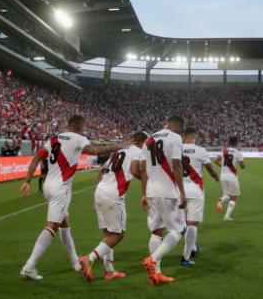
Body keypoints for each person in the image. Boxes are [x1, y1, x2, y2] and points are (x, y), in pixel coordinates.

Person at [19, 114, 128, 281]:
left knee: (65, 225)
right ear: (79, 126)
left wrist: (27, 180)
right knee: (51, 227)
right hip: (60, 188)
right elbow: (95, 150)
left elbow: (36, 158)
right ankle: (30, 266)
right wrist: (118, 146)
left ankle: (75, 262)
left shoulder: (53, 138)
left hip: (48, 185)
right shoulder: (78, 138)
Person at [79, 130, 148, 282]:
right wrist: (145, 183)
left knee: (108, 234)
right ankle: (89, 258)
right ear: (143, 142)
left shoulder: (117, 151)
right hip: (114, 194)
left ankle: (109, 271)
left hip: (101, 189)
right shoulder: (139, 152)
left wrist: (98, 194)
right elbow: (135, 170)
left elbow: (102, 172)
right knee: (118, 235)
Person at [141, 116, 187, 286]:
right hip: (167, 191)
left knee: (156, 231)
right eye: (181, 128)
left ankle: (156, 273)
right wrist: (182, 192)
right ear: (176, 125)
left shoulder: (148, 140)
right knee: (178, 230)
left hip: (152, 190)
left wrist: (144, 193)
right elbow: (176, 165)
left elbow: (143, 169)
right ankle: (152, 259)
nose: (181, 131)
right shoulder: (175, 138)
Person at [179, 127, 219, 266]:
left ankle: (194, 248)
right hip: (195, 190)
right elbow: (209, 168)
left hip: (178, 190)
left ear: (184, 136)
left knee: (182, 224)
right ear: (194, 136)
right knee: (192, 224)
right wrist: (215, 176)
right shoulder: (201, 150)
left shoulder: (176, 149)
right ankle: (186, 257)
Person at [215, 136, 245, 221]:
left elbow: (216, 161)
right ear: (236, 143)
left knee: (228, 194)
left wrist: (223, 167)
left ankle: (221, 200)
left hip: (223, 176)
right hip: (231, 176)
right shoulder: (238, 152)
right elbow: (242, 166)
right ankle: (227, 216)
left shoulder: (224, 151)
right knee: (234, 196)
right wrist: (244, 165)